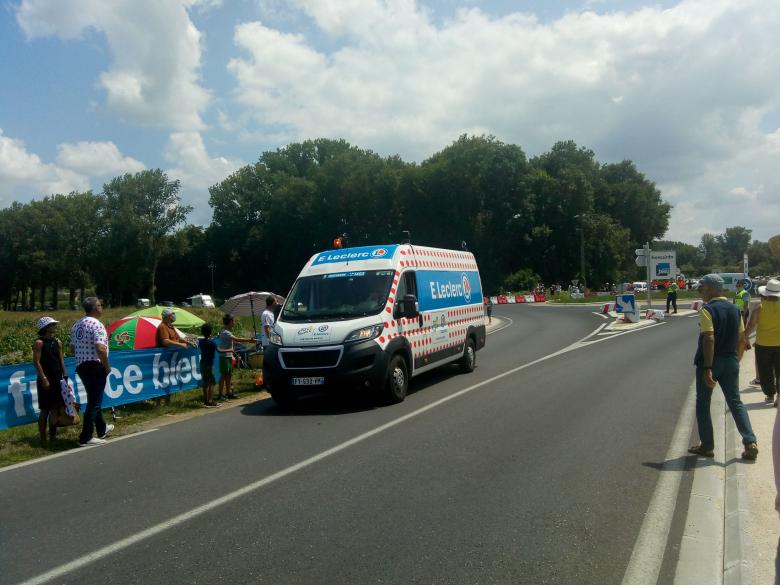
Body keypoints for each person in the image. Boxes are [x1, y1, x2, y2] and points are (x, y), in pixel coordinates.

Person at [688, 274, 758, 460]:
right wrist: (737, 360)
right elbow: (742, 339)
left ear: (710, 289)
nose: (701, 291)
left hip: (712, 361)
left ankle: (707, 446)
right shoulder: (735, 310)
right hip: (731, 360)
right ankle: (750, 441)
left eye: (702, 288)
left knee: (703, 403)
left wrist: (708, 367)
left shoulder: (707, 310)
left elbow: (709, 338)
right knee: (735, 402)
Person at [71, 297, 114, 446]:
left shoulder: (77, 325)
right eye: (100, 305)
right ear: (95, 308)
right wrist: (107, 366)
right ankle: (86, 436)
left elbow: (72, 347)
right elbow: (100, 348)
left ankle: (101, 429)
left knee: (93, 398)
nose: (101, 307)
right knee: (94, 402)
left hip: (81, 365)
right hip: (95, 365)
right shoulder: (97, 325)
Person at [32, 316, 67, 446]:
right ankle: (43, 438)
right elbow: (36, 362)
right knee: (45, 409)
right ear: (46, 328)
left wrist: (65, 374)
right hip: (45, 379)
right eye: (52, 324)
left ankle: (53, 437)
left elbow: (61, 360)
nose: (55, 326)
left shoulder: (57, 342)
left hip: (57, 377)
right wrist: (44, 378)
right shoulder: (39, 343)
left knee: (55, 408)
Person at [745, 278, 780, 406]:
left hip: (763, 345)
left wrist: (745, 338)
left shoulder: (760, 307)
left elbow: (750, 325)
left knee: (765, 371)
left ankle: (770, 395)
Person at [216, 314, 256, 400]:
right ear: (230, 322)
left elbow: (234, 342)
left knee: (229, 375)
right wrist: (249, 340)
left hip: (229, 356)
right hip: (224, 357)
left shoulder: (228, 332)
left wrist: (242, 344)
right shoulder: (225, 332)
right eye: (233, 321)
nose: (234, 323)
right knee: (223, 375)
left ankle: (228, 393)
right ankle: (220, 395)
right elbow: (236, 339)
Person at [198, 323, 218, 408]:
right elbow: (219, 350)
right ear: (210, 332)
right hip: (209, 364)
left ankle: (205, 400)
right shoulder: (212, 343)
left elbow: (201, 341)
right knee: (212, 383)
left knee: (205, 382)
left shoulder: (201, 342)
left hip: (202, 363)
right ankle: (210, 401)